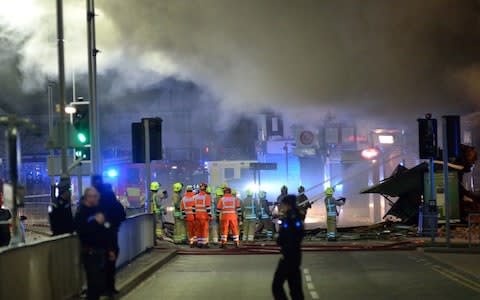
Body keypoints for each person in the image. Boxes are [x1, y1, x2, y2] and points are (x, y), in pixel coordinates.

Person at [75, 187, 115, 300]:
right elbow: (81, 230)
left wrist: (110, 249)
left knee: (100, 283)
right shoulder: (82, 212)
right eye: (91, 196)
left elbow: (106, 231)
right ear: (86, 197)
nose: (93, 199)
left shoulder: (99, 210)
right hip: (89, 251)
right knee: (94, 282)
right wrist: (94, 222)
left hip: (101, 251)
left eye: (95, 196)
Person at [91, 176, 126, 296]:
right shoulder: (113, 202)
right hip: (111, 237)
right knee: (110, 264)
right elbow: (122, 215)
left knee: (101, 265)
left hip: (99, 240)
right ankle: (110, 288)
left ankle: (103, 288)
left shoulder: (97, 205)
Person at [272, 195, 305, 300]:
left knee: (277, 286)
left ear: (287, 205)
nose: (281, 207)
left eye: (282, 204)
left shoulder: (291, 218)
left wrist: (278, 238)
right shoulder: (296, 216)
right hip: (295, 255)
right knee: (295, 288)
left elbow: (288, 236)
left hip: (288, 256)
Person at [194, 183, 211, 248]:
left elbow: (193, 207)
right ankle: (204, 243)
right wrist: (209, 215)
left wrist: (194, 215)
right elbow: (208, 207)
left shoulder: (195, 196)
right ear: (206, 188)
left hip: (197, 215)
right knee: (204, 230)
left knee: (198, 229)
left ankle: (199, 243)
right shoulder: (207, 196)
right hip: (204, 216)